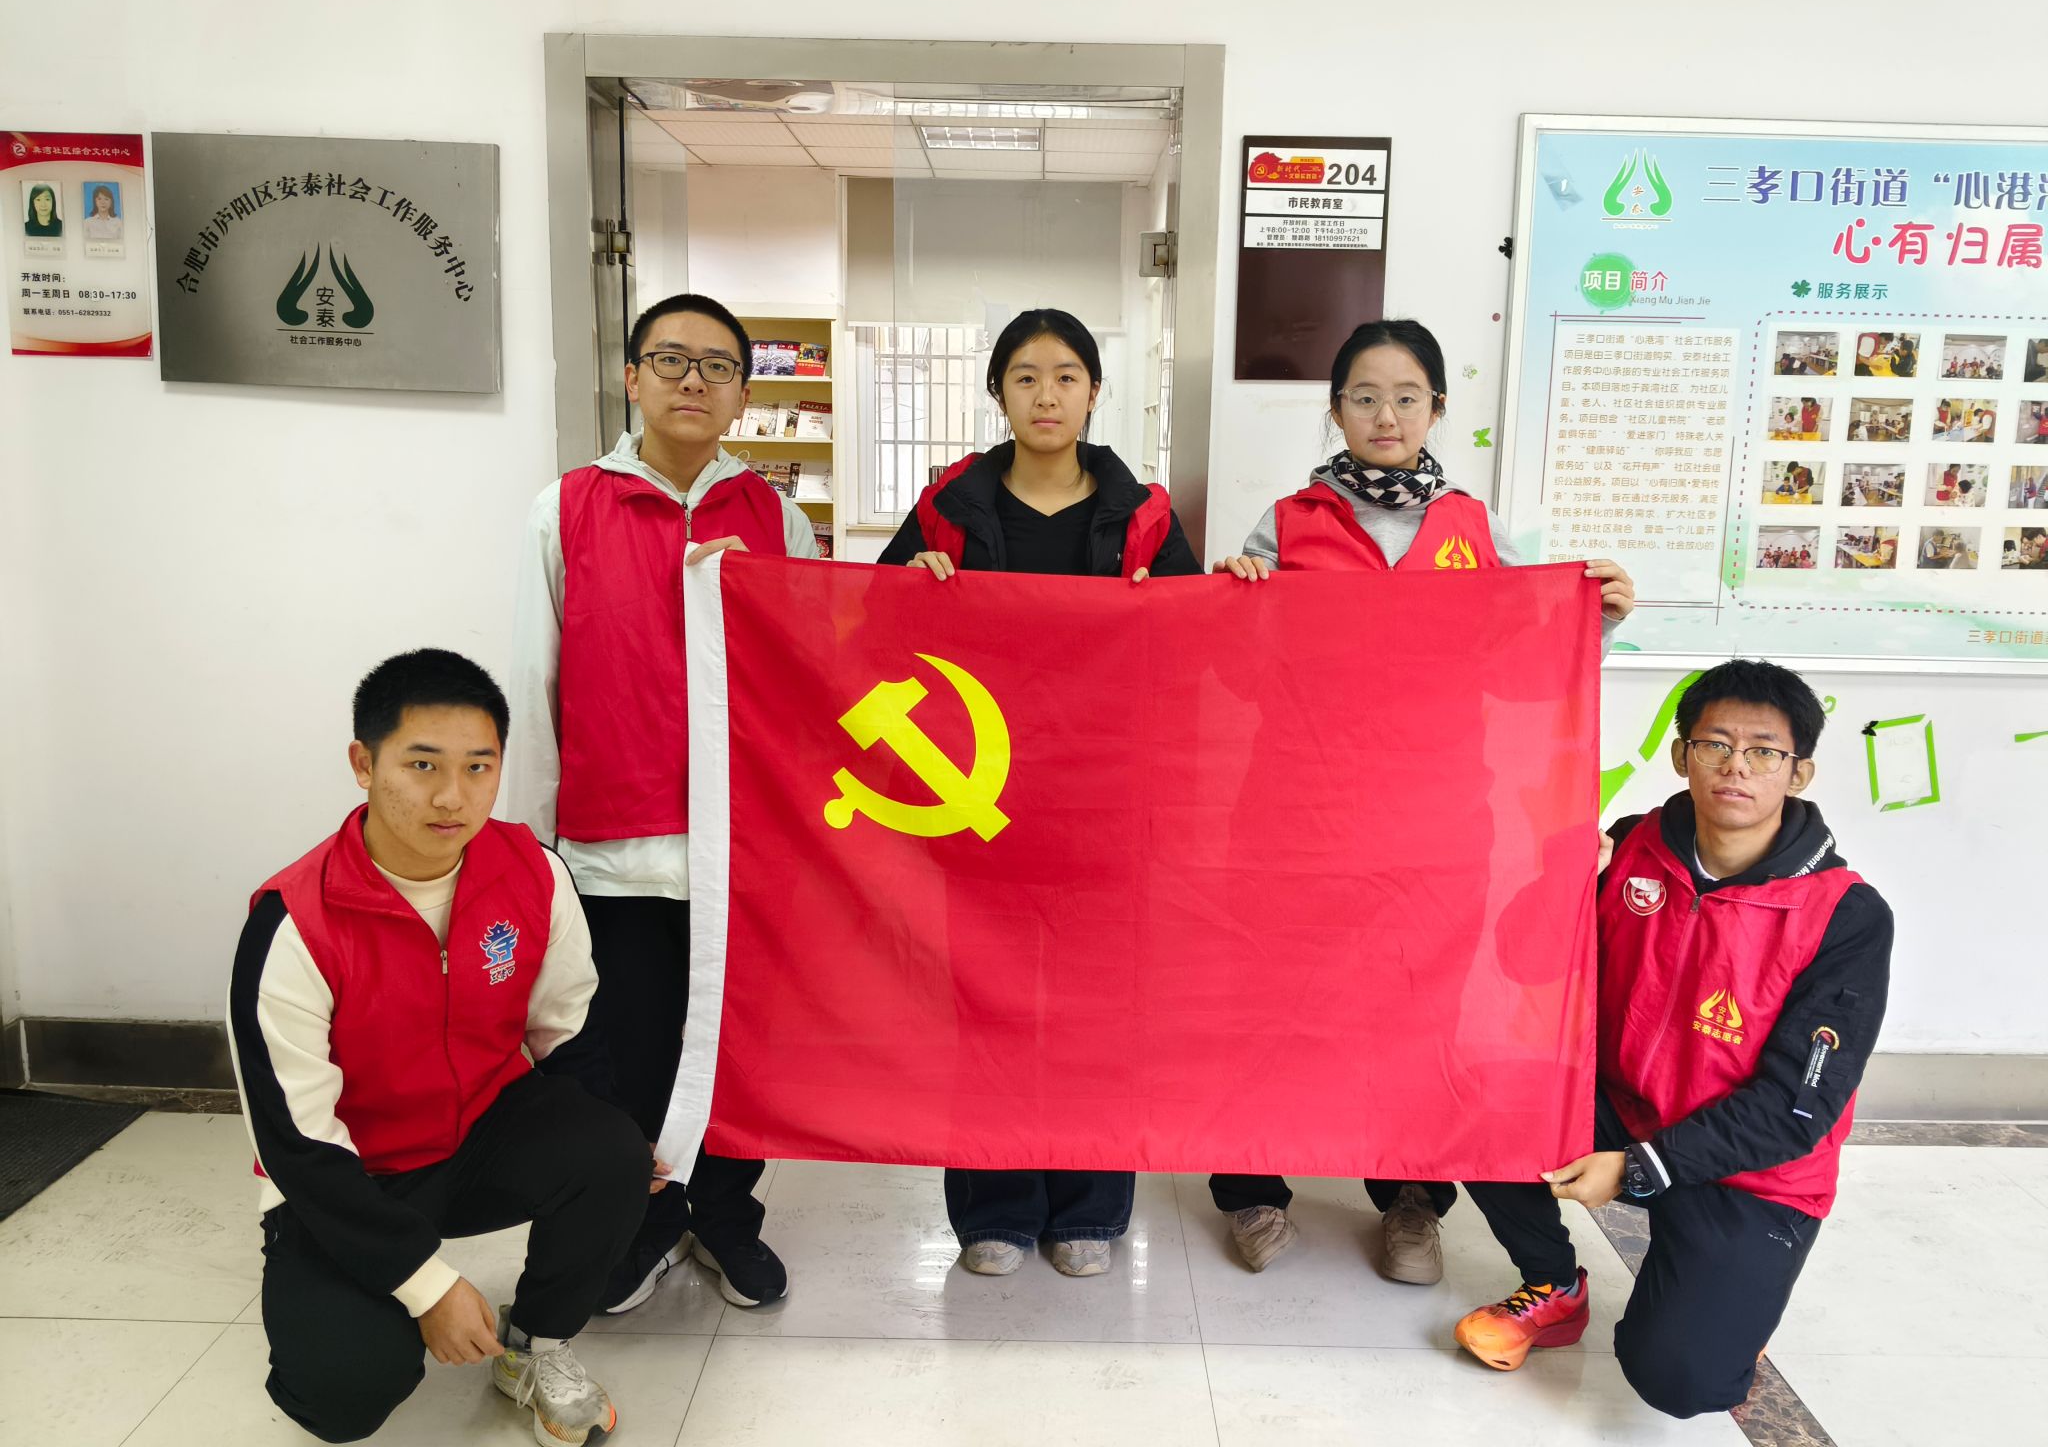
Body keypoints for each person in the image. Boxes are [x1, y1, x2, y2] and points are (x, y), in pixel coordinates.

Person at [1207, 318, 1636, 1280]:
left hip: (1435, 820)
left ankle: (1411, 1200)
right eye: (1364, 397)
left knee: (1420, 1009)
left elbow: (1522, 660)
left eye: (1406, 397)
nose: (1386, 415)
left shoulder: (1474, 530)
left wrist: (1595, 621)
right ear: (1336, 410)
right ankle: (1252, 1190)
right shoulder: (1288, 524)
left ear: (1437, 408)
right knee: (1273, 1001)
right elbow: (1234, 675)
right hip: (1297, 814)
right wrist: (1234, 601)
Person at [226, 650, 646, 1445]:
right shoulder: (293, 924)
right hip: (353, 1174)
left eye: (478, 767)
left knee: (614, 1150)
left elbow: (567, 1031)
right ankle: (329, 1308)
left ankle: (535, 1347)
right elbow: (296, 1145)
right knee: (343, 1395)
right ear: (363, 764)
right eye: (422, 765)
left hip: (479, 1134)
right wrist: (427, 1287)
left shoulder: (534, 873)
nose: (453, 796)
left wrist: (621, 1161)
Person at [1453, 660, 1892, 1418]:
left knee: (1679, 1380)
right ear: (1683, 754)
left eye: (1763, 751)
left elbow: (1796, 1108)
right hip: (1622, 1107)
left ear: (1799, 773)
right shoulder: (1631, 846)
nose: (1736, 765)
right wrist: (1558, 882)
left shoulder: (1846, 916)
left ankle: (1727, 1309)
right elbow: (1523, 962)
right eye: (1715, 743)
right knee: (1474, 1094)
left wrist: (1639, 1168)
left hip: (1752, 1170)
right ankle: (1555, 1286)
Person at [506, 292, 820, 1315]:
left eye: (718, 365)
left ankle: (723, 1215)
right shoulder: (566, 509)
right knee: (628, 1058)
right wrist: (532, 851)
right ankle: (640, 1225)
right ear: (631, 375)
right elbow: (534, 681)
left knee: (738, 1057)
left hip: (744, 850)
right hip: (611, 849)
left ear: (741, 393)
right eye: (672, 359)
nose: (694, 380)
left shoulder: (776, 518)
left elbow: (813, 680)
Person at [879, 306, 1202, 1279]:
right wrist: (910, 584)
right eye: (1024, 376)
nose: (1046, 394)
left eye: (1065, 376)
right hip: (977, 803)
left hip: (1106, 802)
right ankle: (995, 1208)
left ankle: (1090, 1210)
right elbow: (870, 635)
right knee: (986, 1005)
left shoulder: (1144, 518)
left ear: (1095, 391)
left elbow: (1198, 652)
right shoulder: (947, 510)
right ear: (998, 394)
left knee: (1098, 1011)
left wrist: (1224, 591)